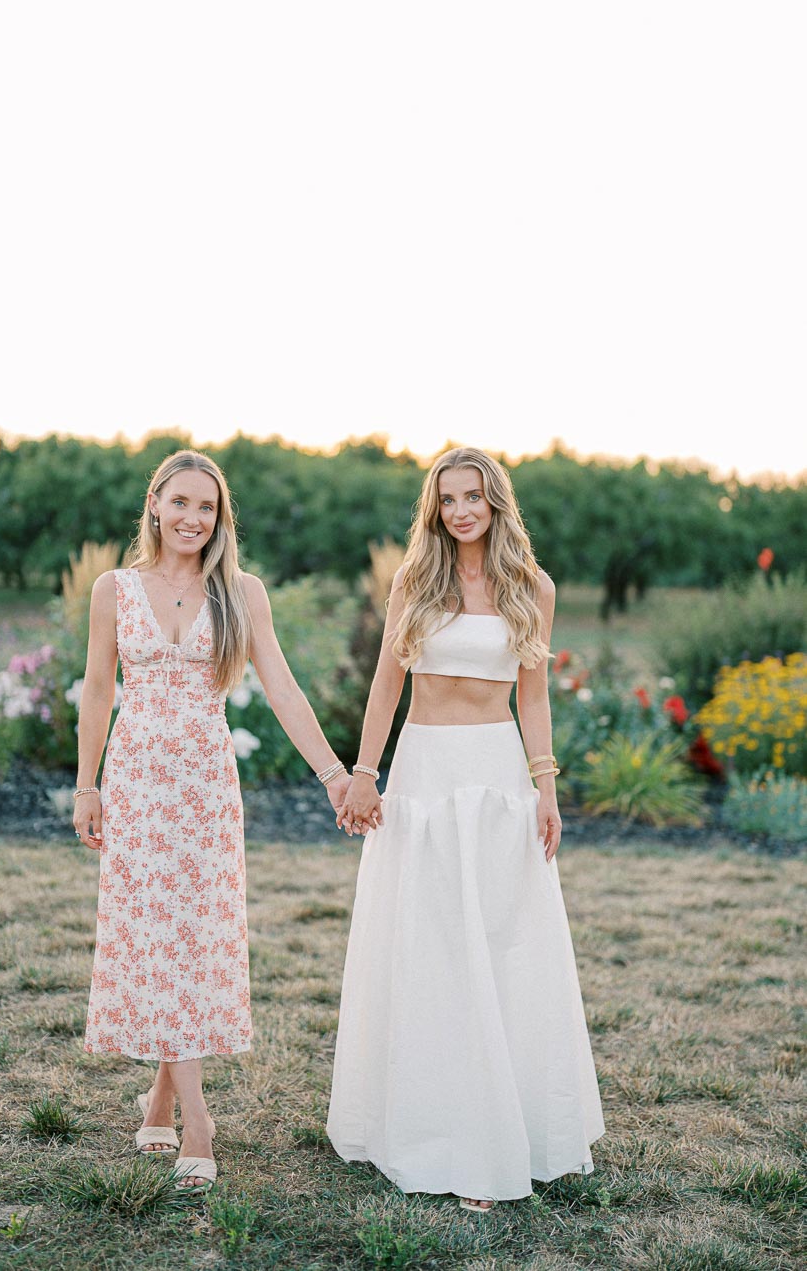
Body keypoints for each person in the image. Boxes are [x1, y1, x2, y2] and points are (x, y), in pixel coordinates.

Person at [327, 446, 604, 1212]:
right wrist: (364, 770)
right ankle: (422, 1126)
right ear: (434, 508)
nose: (460, 511)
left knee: (497, 945)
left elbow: (534, 696)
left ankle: (495, 1135)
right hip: (422, 777)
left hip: (494, 777)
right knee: (427, 944)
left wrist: (545, 787)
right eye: (447, 498)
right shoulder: (415, 582)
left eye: (473, 497)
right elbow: (387, 684)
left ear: (495, 503)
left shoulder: (531, 588)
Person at [73, 449, 349, 1190]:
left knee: (190, 935)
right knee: (154, 933)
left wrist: (334, 775)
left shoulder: (240, 591)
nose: (193, 519)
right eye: (181, 503)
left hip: (203, 785)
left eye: (207, 507)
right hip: (134, 781)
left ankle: (171, 1102)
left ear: (219, 517)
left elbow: (284, 689)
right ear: (155, 503)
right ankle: (193, 1114)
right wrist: (86, 786)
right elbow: (98, 690)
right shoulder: (115, 588)